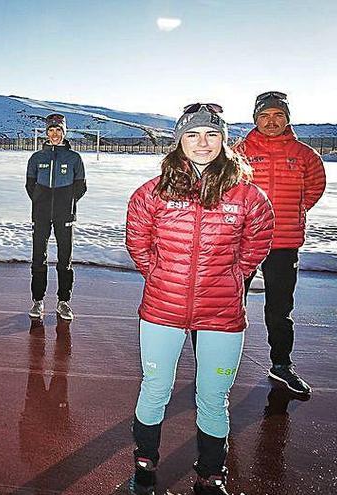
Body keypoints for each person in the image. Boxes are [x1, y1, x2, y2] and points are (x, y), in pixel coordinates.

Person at [125, 103, 274, 495]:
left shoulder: (248, 196)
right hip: (162, 308)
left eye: (211, 134)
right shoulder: (151, 193)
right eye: (192, 134)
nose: (202, 143)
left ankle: (211, 473)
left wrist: (232, 277)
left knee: (213, 395)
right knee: (155, 386)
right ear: (179, 141)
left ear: (225, 141)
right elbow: (138, 243)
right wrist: (160, 275)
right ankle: (144, 465)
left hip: (222, 313)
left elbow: (256, 244)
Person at [235, 91, 326, 395]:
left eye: (278, 116)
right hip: (243, 239)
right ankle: (223, 362)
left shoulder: (304, 154)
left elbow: (313, 190)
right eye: (264, 116)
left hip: (285, 241)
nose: (271, 121)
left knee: (280, 307)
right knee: (232, 304)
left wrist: (292, 212)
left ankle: (281, 365)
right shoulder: (240, 151)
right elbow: (228, 189)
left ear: (287, 119)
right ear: (255, 119)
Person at [25, 113, 87, 320]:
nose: (54, 134)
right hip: (41, 214)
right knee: (38, 258)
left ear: (64, 133)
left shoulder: (74, 159)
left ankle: (63, 301)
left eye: (58, 130)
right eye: (51, 130)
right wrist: (39, 200)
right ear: (46, 133)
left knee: (64, 259)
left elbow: (81, 187)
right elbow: (29, 185)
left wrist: (66, 203)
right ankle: (38, 300)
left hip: (65, 215)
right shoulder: (36, 158)